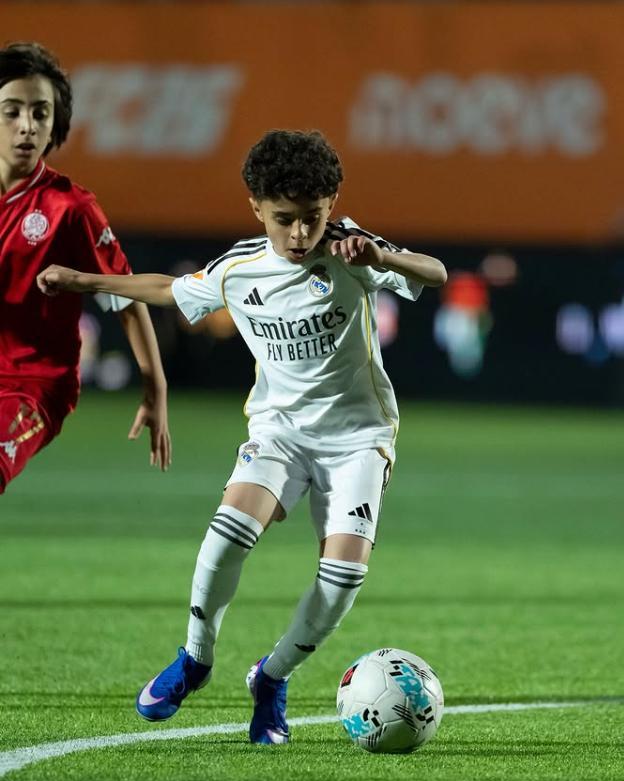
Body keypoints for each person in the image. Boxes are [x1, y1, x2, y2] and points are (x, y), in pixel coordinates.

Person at [38, 129, 447, 744]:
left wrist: (382, 259)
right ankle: (195, 659)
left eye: (312, 217)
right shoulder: (239, 269)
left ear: (331, 205)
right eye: (284, 219)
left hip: (359, 438)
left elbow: (436, 273)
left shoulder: (351, 249)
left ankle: (272, 677)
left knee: (342, 580)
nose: (300, 234)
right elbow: (167, 290)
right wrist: (84, 281)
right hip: (280, 432)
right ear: (257, 208)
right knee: (226, 534)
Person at [0, 42, 171, 495]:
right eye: (12, 111)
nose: (27, 126)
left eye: (40, 113)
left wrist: (155, 388)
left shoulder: (70, 208)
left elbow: (127, 299)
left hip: (32, 384)